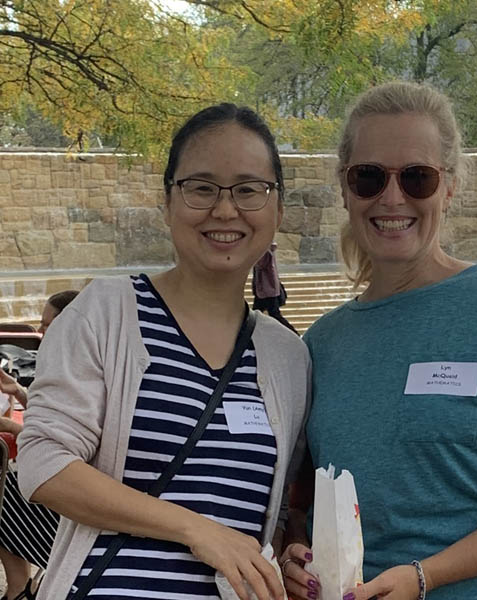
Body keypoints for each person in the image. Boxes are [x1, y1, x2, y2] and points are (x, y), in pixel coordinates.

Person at [280, 81, 477, 600]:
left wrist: (425, 576)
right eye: (368, 177)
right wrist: (295, 549)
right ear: (344, 188)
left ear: (449, 187)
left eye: (417, 177)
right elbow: (301, 503)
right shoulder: (322, 344)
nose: (392, 196)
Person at [16, 103, 311, 600]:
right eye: (201, 187)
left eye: (248, 189)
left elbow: (272, 515)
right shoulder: (107, 312)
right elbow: (44, 463)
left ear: (277, 209)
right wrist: (198, 530)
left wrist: (289, 557)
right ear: (168, 202)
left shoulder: (287, 356)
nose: (224, 209)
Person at [0, 291, 79, 600]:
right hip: (70, 484)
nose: (42, 334)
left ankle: (21, 586)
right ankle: (21, 585)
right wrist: (18, 391)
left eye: (48, 327)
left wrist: (12, 427)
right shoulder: (69, 363)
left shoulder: (86, 369)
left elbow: (67, 439)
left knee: (5, 494)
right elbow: (57, 419)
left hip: (77, 500)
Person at [252, 242, 297, 334]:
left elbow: (260, 264)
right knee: (256, 315)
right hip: (265, 290)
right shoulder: (266, 251)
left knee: (270, 315)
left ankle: (293, 332)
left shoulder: (265, 252)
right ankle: (250, 336)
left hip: (267, 291)